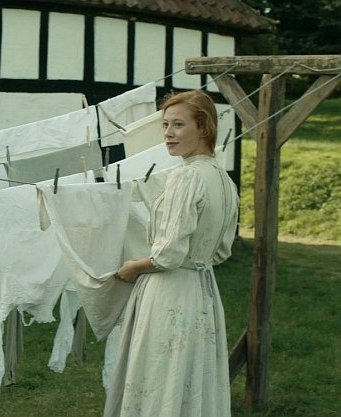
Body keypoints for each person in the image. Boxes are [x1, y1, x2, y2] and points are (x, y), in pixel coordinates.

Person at [106, 90, 239, 416]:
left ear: (204, 127)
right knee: (189, 376)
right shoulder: (224, 180)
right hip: (202, 291)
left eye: (178, 125)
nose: (168, 133)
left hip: (171, 292)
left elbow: (168, 255)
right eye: (165, 124)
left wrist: (133, 267)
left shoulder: (186, 176)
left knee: (160, 375)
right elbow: (222, 251)